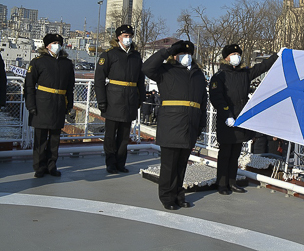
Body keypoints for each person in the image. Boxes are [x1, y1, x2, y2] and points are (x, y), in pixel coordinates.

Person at [142, 40, 207, 210]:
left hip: (189, 125)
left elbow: (202, 101)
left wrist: (201, 125)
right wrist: (167, 51)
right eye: (181, 54)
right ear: (175, 56)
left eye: (188, 54)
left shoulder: (198, 74)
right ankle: (167, 197)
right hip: (171, 123)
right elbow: (146, 67)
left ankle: (179, 194)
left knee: (181, 164)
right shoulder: (166, 70)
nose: (186, 57)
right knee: (169, 165)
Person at [209, 44, 278, 195]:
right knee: (225, 152)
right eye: (233, 53)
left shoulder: (244, 73)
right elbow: (217, 97)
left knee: (235, 153)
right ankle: (221, 183)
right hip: (226, 118)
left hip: (240, 118)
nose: (236, 56)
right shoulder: (219, 76)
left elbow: (262, 67)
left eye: (238, 53)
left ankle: (232, 182)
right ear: (226, 57)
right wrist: (227, 115)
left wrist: (276, 56)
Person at [94, 25, 145, 174]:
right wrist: (101, 100)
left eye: (130, 35)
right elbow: (99, 79)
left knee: (124, 135)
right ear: (118, 37)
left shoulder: (136, 56)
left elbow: (140, 80)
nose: (128, 38)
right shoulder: (109, 55)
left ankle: (120, 162)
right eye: (125, 36)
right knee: (110, 135)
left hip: (129, 99)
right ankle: (110, 163)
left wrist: (140, 98)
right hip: (113, 99)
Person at [24, 34, 75, 178]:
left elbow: (70, 86)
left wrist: (69, 105)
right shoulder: (38, 62)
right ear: (47, 45)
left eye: (59, 43)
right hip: (42, 103)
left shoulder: (67, 63)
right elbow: (29, 86)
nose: (57, 45)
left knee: (54, 138)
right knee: (40, 138)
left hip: (58, 103)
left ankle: (52, 165)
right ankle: (39, 166)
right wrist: (31, 105)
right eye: (54, 42)